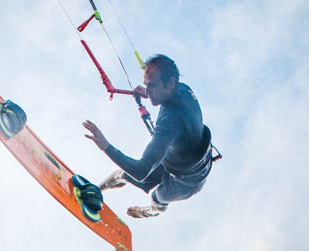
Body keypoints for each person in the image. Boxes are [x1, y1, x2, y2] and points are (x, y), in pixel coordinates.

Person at [82, 54, 213, 219]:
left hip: (188, 181)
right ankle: (95, 190)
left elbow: (141, 171)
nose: (148, 91)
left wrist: (105, 146)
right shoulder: (182, 89)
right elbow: (170, 98)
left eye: (152, 86)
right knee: (123, 175)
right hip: (176, 157)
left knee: (157, 197)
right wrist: (146, 92)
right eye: (146, 85)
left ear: (170, 83)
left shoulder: (170, 123)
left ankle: (149, 212)